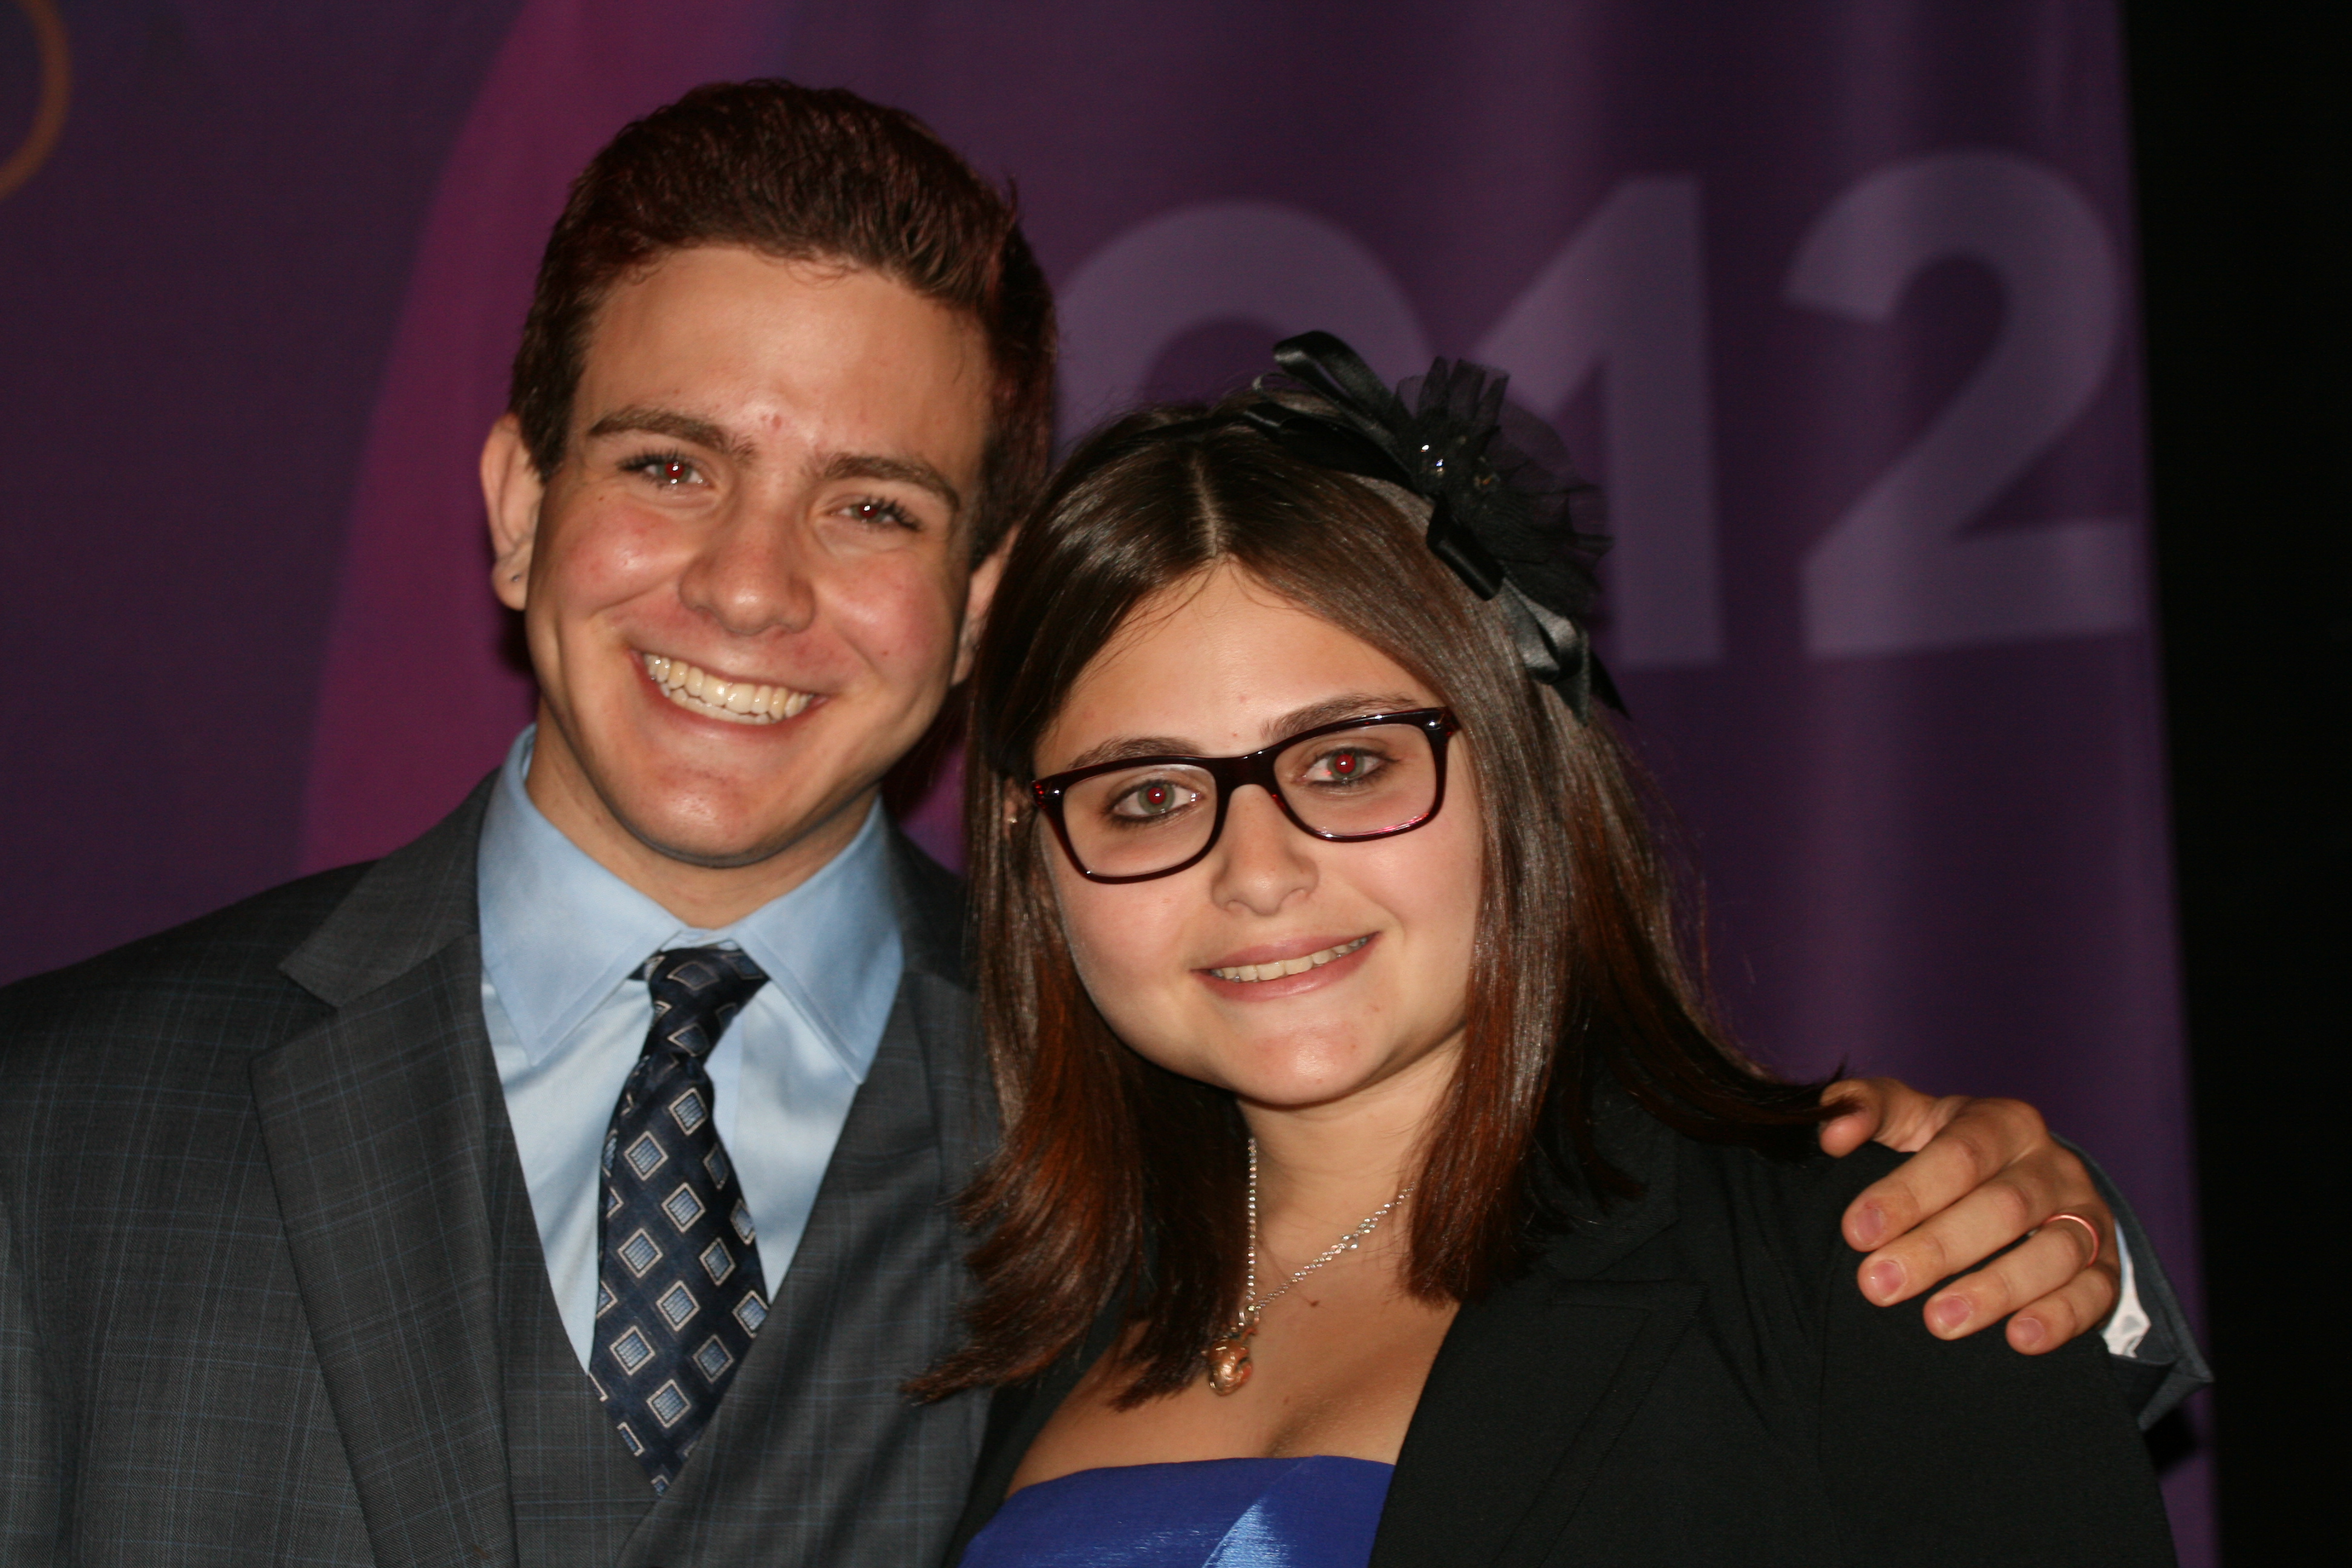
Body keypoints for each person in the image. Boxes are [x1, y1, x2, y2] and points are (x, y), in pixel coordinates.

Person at [0, 86, 2186, 1568]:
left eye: (869, 505)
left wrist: (2061, 1274)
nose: (749, 587)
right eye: (669, 466)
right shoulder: (56, 1129)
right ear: (513, 506)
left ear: (975, 604)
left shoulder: (1105, 1093)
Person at [928, 337, 2181, 1565]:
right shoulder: (1019, 1317)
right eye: (1147, 797)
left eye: (1349, 764)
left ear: (1518, 774)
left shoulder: (1883, 1259)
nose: (1257, 872)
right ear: (1038, 860)